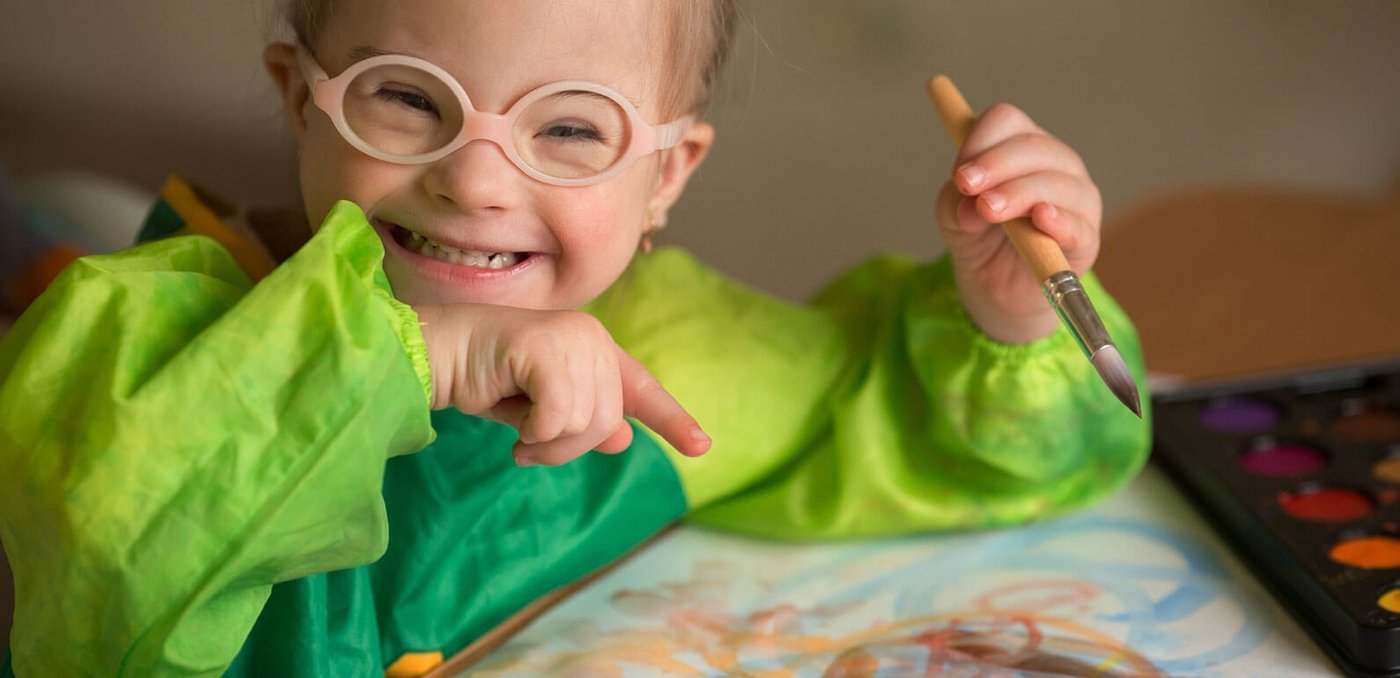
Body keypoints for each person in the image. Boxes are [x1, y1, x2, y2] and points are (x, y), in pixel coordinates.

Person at [0, 0, 1150, 675]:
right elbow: (104, 554)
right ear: (303, 101)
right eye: (408, 99)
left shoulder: (680, 359)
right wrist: (416, 359)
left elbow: (940, 443)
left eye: (568, 129)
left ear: (665, 176)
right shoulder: (146, 329)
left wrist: (1006, 315)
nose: (473, 182)